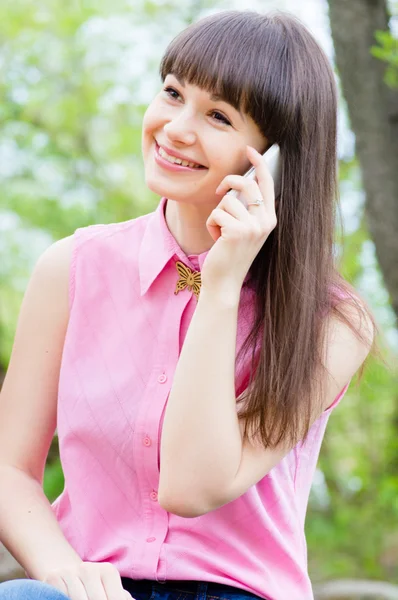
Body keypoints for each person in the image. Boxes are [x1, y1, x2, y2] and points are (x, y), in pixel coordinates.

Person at [0, 9, 376, 600]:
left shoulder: (332, 322)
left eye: (219, 116)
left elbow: (192, 486)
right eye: (173, 93)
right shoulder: (73, 269)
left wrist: (221, 286)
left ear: (275, 160)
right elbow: (10, 467)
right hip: (85, 590)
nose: (175, 127)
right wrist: (58, 570)